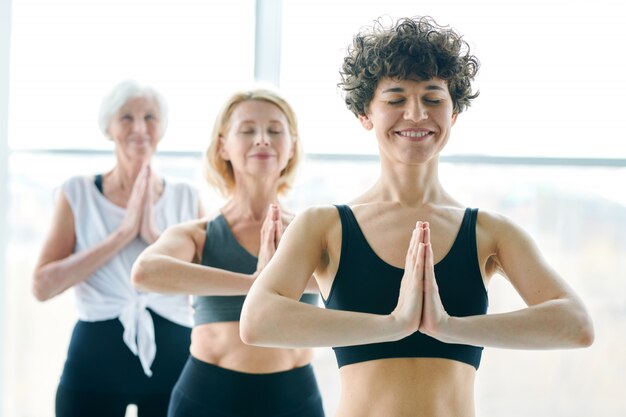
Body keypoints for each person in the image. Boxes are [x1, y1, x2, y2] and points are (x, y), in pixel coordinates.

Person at [240, 16, 595, 417]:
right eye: (395, 99)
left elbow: (576, 323)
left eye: (433, 98)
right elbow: (257, 321)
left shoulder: (489, 232)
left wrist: (447, 327)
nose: (415, 114)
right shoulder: (323, 226)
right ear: (365, 115)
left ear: (454, 115)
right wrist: (393, 324)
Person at [131, 87, 325, 417]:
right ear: (223, 145)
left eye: (275, 131)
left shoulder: (314, 234)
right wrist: (256, 283)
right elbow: (145, 272)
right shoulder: (199, 234)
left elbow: (354, 284)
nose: (262, 139)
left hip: (294, 398)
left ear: (291, 146)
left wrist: (271, 283)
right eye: (247, 130)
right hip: (209, 397)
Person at [32, 80, 203, 417]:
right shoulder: (77, 192)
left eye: (150, 117)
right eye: (126, 117)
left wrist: (154, 235)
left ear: (162, 129)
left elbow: (207, 283)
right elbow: (42, 286)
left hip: (173, 359)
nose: (139, 127)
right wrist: (122, 235)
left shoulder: (186, 196)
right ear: (108, 128)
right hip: (94, 360)